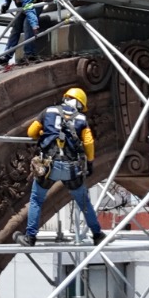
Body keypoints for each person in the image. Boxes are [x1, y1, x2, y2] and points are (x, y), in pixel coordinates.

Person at [13, 88, 105, 247]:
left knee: (36, 200)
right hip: (71, 169)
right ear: (79, 104)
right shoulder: (82, 119)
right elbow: (89, 142)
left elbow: (31, 132)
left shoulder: (48, 111)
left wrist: (43, 133)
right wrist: (89, 162)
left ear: (66, 98)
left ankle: (30, 237)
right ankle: (97, 235)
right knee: (83, 201)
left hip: (49, 167)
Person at [0, 0, 42, 67]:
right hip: (23, 7)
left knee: (27, 25)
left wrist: (34, 24)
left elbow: (29, 9)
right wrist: (6, 5)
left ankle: (30, 54)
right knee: (15, 29)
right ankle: (6, 56)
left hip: (34, 5)